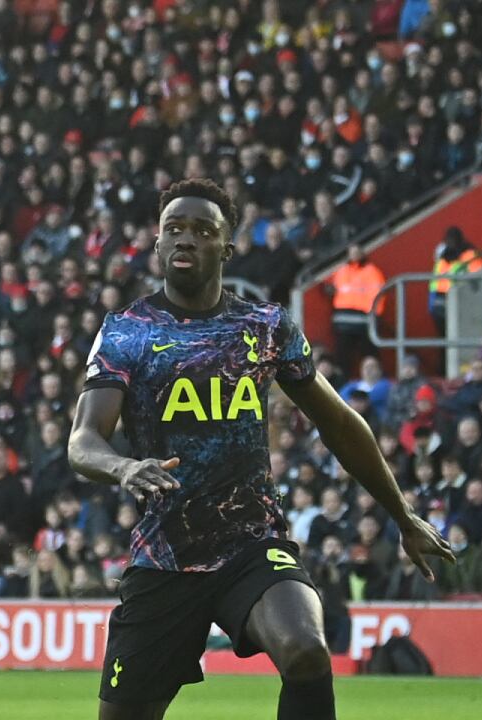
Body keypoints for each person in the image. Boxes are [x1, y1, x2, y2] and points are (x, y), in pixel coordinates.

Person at [69, 178, 450, 720]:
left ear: (227, 248)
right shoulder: (127, 332)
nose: (185, 238)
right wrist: (123, 466)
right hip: (166, 554)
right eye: (174, 228)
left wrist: (403, 516)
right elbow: (84, 441)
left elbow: (340, 423)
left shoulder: (265, 327)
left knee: (306, 649)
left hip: (252, 543)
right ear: (157, 243)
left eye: (203, 230)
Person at [326, 244, 385, 371]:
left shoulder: (372, 272)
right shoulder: (342, 270)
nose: (354, 256)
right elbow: (333, 287)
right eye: (352, 253)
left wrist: (375, 316)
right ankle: (341, 379)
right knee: (342, 356)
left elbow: (379, 295)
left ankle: (375, 378)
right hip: (343, 320)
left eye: (357, 252)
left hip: (364, 320)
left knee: (370, 355)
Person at [428, 226, 482, 335]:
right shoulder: (443, 256)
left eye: (452, 239)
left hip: (461, 298)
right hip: (439, 299)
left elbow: (477, 274)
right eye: (447, 239)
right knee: (443, 334)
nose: (449, 242)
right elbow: (435, 281)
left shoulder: (469, 254)